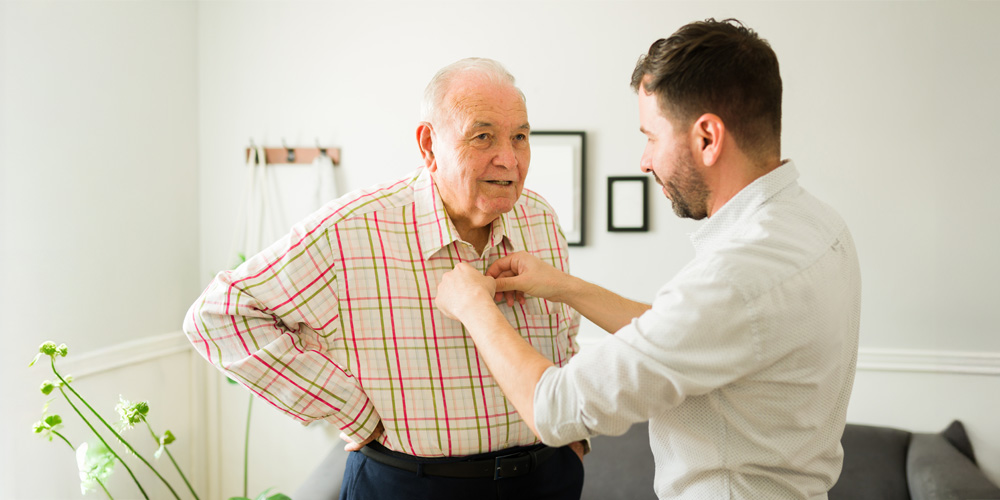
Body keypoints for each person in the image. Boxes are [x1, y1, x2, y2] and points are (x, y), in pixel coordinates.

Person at [435, 19, 861, 500]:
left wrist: (474, 308)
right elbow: (696, 334)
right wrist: (565, 287)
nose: (644, 160)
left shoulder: (735, 277)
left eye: (652, 136)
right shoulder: (819, 227)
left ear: (707, 138)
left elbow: (555, 410)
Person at [183, 58, 585, 500]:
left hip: (546, 477)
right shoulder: (351, 230)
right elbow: (218, 315)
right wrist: (352, 411)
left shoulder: (540, 218)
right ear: (429, 144)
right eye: (483, 136)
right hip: (413, 486)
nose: (508, 159)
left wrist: (576, 439)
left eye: (520, 137)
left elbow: (563, 335)